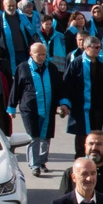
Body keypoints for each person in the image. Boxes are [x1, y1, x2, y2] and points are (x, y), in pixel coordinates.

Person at [9, 42, 70, 176]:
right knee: (34, 137)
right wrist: (12, 108)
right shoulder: (23, 68)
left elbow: (60, 87)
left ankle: (42, 161)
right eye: (38, 54)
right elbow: (16, 88)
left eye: (44, 54)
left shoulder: (52, 68)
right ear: (31, 54)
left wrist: (64, 103)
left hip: (48, 107)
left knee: (46, 137)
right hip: (30, 109)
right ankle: (34, 165)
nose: (42, 57)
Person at [62, 37, 103, 159]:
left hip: (100, 105)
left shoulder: (102, 62)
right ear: (87, 48)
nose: (99, 50)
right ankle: (81, 159)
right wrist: (65, 103)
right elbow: (67, 84)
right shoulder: (77, 63)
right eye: (96, 47)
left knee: (99, 133)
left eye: (100, 47)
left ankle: (98, 158)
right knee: (82, 135)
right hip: (82, 106)